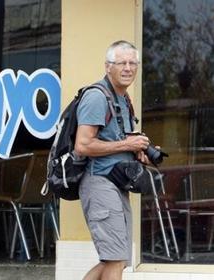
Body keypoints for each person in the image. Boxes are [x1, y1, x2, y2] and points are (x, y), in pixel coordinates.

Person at [74, 40, 151, 280]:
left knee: (116, 259)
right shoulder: (97, 97)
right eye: (121, 63)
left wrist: (137, 149)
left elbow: (114, 140)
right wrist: (128, 144)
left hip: (116, 185)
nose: (128, 68)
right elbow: (83, 145)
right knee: (115, 260)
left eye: (133, 63)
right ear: (108, 67)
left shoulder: (123, 98)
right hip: (100, 183)